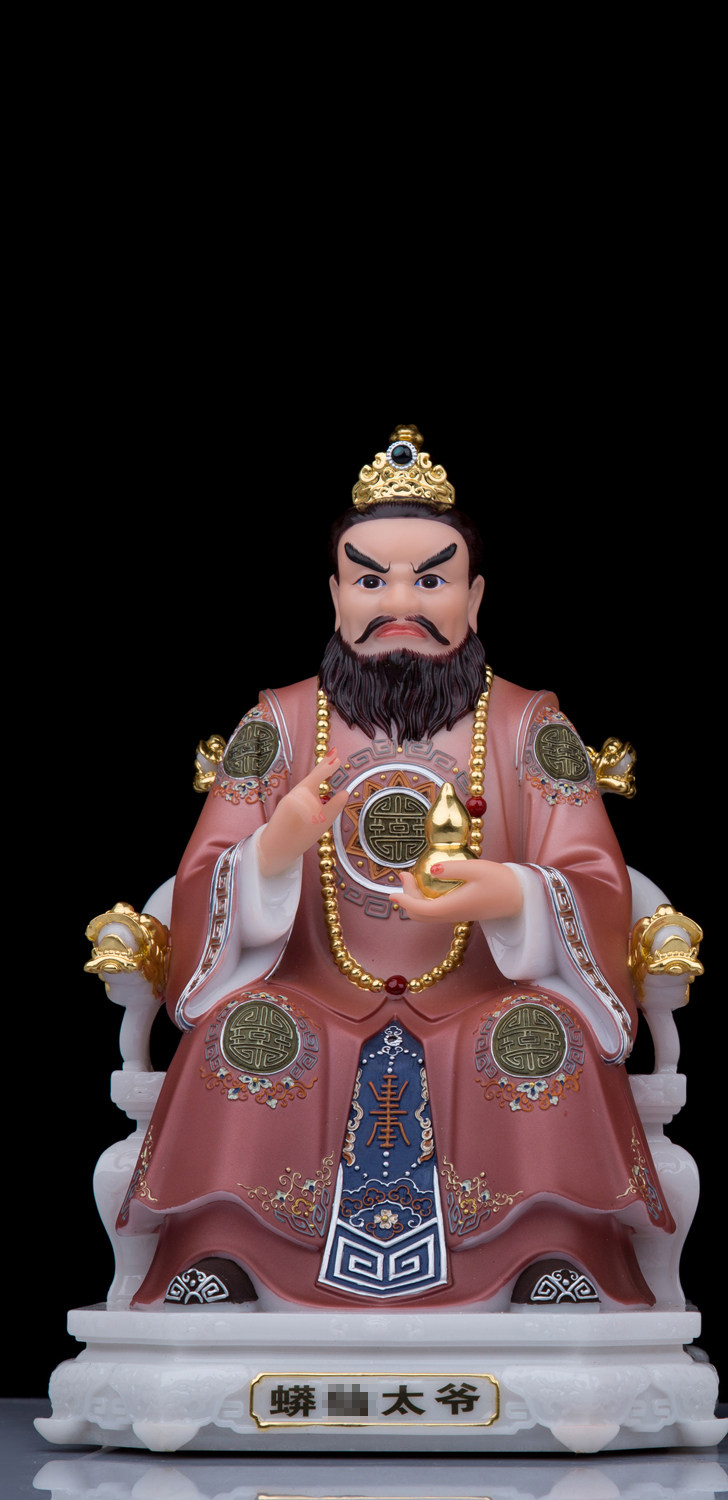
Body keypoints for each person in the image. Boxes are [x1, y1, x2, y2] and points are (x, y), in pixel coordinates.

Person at [118, 429, 672, 1309]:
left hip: (482, 992)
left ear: (475, 597)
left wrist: (514, 895)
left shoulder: (531, 725)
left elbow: (594, 878)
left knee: (541, 1039)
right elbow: (202, 881)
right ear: (335, 595)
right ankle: (226, 1251)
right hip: (311, 990)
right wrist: (274, 848)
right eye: (371, 581)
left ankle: (548, 1252)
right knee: (243, 1034)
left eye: (432, 580)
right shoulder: (278, 724)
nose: (401, 603)